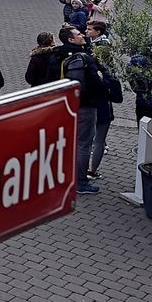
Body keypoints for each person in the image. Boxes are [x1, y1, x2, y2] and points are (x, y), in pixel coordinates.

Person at [48, 26, 109, 195]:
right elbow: (92, 84)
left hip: (62, 105)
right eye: (78, 34)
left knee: (67, 141)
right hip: (84, 106)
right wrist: (101, 80)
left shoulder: (56, 56)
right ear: (71, 39)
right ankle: (80, 181)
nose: (82, 35)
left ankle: (61, 174)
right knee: (83, 144)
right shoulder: (82, 58)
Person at [85, 21, 115, 180]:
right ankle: (92, 169)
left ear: (97, 31)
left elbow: (103, 67)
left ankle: (92, 169)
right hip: (101, 96)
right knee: (98, 137)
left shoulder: (101, 46)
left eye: (89, 29)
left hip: (100, 97)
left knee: (97, 140)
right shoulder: (97, 42)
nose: (86, 31)